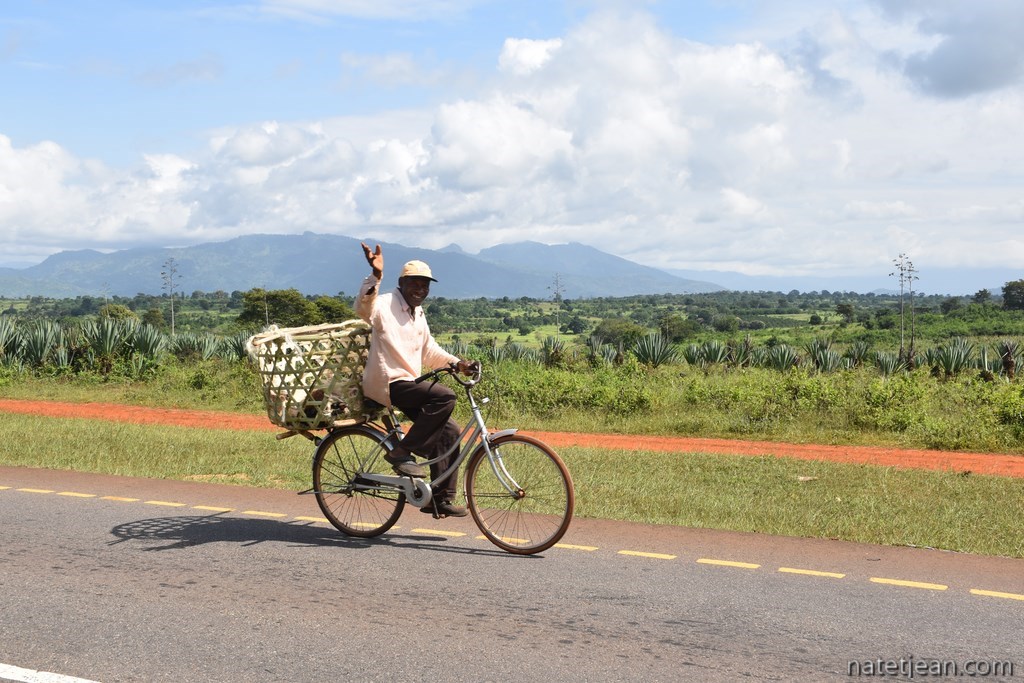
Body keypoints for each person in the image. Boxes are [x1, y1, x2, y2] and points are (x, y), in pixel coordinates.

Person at [356, 242, 477, 517]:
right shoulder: (384, 304)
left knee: (450, 431)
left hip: (408, 383)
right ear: (401, 283)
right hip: (387, 383)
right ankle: (401, 452)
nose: (420, 289)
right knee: (444, 396)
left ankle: (440, 499)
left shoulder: (417, 313)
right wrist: (375, 276)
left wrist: (458, 364)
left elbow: (429, 350)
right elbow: (363, 308)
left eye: (425, 285)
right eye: (414, 283)